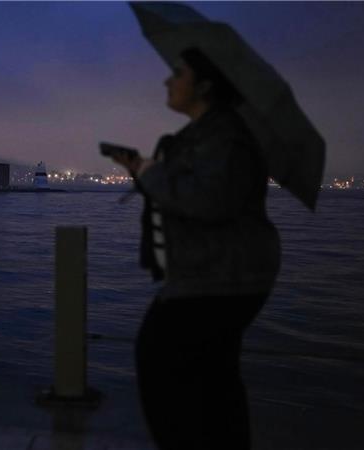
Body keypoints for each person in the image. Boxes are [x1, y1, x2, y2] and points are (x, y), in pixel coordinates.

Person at [109, 47, 281, 449]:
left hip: (221, 275)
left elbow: (208, 201)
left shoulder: (225, 136)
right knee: (215, 379)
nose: (168, 81)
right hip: (220, 272)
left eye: (178, 73)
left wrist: (150, 173)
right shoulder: (205, 134)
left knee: (162, 363)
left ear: (204, 85)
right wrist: (143, 168)